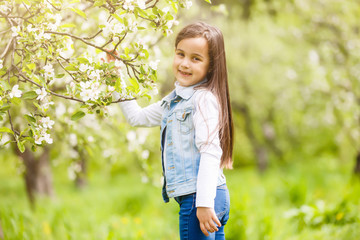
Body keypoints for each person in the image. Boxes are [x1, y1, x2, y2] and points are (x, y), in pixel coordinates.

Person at [111, 22, 234, 240]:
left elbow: (210, 151)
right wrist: (114, 76)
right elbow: (136, 117)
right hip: (212, 195)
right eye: (180, 54)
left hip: (200, 198)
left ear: (211, 66)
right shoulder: (174, 102)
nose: (185, 64)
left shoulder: (202, 99)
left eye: (196, 58)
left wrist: (203, 203)